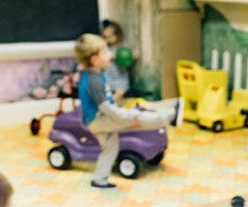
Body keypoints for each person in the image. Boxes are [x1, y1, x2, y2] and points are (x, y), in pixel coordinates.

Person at [75, 33, 184, 189]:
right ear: (94, 60)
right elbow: (106, 108)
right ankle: (172, 115)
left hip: (98, 120)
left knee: (110, 148)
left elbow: (107, 102)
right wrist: (125, 118)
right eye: (105, 52)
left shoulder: (96, 75)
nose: (110, 55)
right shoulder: (94, 81)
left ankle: (99, 180)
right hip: (99, 120)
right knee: (137, 116)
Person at [101, 19, 135, 104]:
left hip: (120, 75)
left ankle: (113, 104)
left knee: (121, 91)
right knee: (108, 92)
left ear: (117, 35)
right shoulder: (105, 47)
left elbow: (130, 55)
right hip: (109, 76)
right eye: (105, 37)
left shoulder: (122, 46)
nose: (108, 40)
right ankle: (110, 104)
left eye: (110, 37)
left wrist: (132, 55)